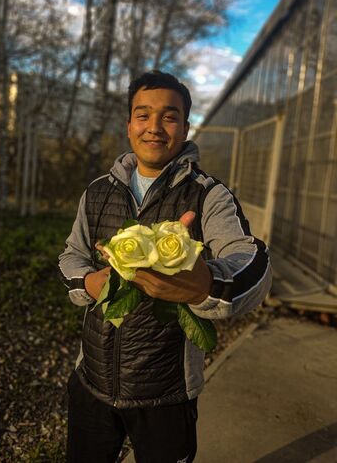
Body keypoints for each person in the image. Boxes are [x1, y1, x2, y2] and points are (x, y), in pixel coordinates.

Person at [58, 70, 272, 463]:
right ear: (129, 125)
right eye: (143, 115)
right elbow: (71, 254)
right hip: (91, 382)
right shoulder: (98, 192)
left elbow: (252, 265)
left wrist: (204, 286)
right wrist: (87, 282)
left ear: (186, 127)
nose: (154, 127)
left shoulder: (209, 196)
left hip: (166, 396)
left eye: (169, 116)